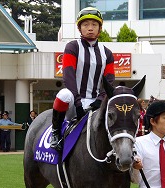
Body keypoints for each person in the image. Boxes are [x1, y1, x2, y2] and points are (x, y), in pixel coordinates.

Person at [49, 7, 115, 151]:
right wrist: (78, 103)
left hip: (96, 103)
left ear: (100, 28)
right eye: (85, 25)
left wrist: (100, 100)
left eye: (94, 25)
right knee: (63, 95)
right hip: (75, 102)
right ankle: (55, 132)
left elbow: (109, 81)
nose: (90, 28)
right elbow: (68, 76)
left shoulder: (107, 53)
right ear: (79, 28)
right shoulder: (72, 47)